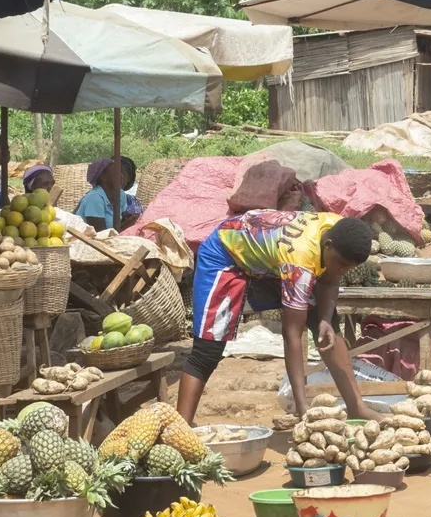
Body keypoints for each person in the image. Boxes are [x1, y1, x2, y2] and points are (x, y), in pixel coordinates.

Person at [176, 210, 380, 424]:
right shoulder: (301, 259)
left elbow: (330, 280)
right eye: (341, 264)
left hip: (269, 260)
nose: (343, 270)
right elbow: (292, 334)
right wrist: (303, 408)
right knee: (207, 351)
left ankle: (357, 407)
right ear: (327, 245)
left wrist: (325, 319)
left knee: (330, 332)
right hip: (226, 253)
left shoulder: (340, 230)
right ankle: (181, 426)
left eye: (349, 267)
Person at [76, 157, 141, 232]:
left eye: (120, 172)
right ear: (103, 177)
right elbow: (100, 236)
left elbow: (121, 221)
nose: (121, 176)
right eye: (115, 172)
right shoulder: (94, 199)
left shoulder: (121, 195)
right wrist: (127, 225)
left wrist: (131, 219)